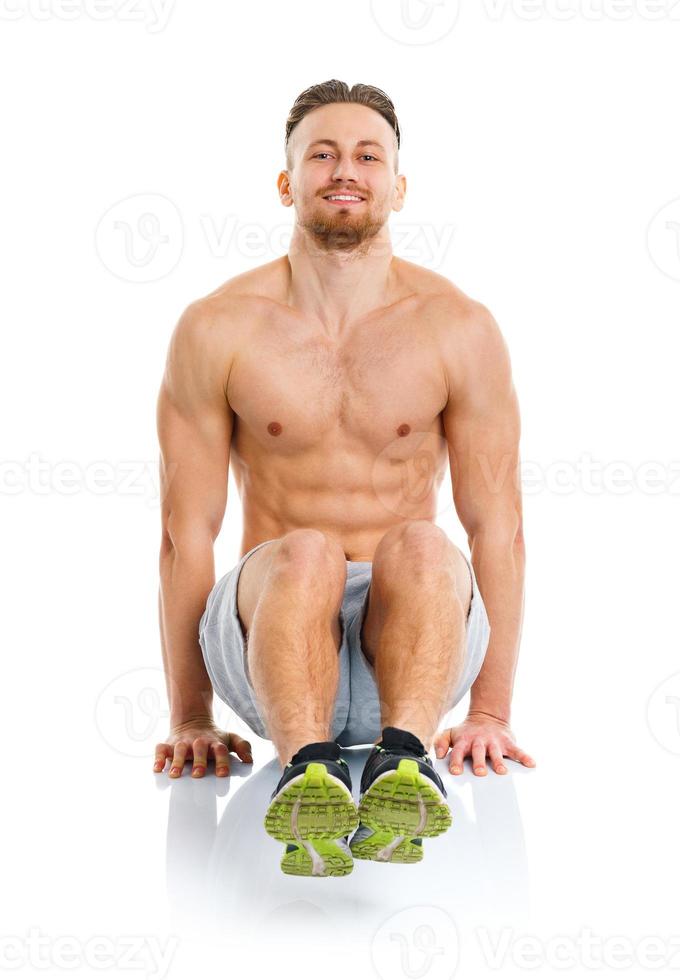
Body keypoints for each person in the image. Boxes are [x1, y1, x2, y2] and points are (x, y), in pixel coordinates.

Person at [154, 79, 535, 876]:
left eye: (368, 155)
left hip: (418, 651)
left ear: (398, 184)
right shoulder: (218, 326)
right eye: (321, 154)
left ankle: (404, 764)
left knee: (425, 545)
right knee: (309, 552)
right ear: (287, 181)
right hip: (275, 640)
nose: (345, 171)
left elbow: (497, 525)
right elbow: (184, 532)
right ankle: (305, 774)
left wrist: (490, 710)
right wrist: (191, 715)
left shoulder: (458, 327)